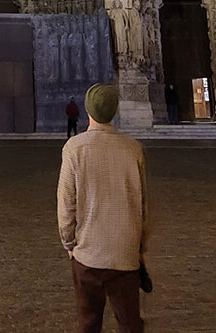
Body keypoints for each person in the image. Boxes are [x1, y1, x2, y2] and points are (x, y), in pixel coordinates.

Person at [57, 83, 149, 333]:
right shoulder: (134, 149)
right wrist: (139, 247)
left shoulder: (74, 148)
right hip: (125, 253)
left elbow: (66, 206)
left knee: (89, 323)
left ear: (88, 112)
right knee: (130, 323)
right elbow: (143, 206)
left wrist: (69, 245)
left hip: (88, 254)